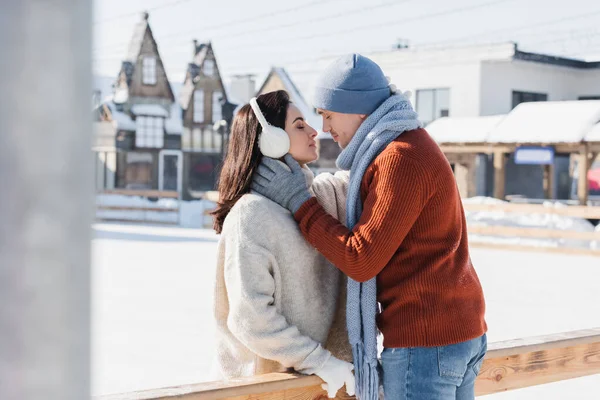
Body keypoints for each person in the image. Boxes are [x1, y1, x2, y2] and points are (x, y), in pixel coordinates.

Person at [251, 55, 488, 400]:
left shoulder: (400, 157)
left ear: (355, 109)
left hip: (426, 344)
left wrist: (299, 202)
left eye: (328, 114)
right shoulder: (408, 145)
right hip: (453, 335)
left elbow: (361, 258)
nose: (325, 127)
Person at [211, 90, 355, 398]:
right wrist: (319, 361)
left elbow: (360, 181)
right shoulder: (251, 215)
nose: (315, 131)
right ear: (271, 139)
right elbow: (251, 317)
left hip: (320, 385)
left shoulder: (317, 199)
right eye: (300, 125)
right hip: (267, 389)